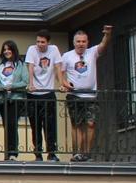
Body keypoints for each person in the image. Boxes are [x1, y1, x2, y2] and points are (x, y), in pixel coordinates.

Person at [61, 26, 112, 161]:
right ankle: (77, 152)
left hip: (91, 95)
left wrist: (107, 34)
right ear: (74, 42)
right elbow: (59, 73)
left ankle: (87, 153)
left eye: (83, 41)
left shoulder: (92, 52)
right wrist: (64, 83)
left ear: (87, 42)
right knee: (77, 124)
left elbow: (103, 45)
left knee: (90, 123)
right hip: (75, 96)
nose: (81, 44)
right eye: (78, 41)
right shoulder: (67, 56)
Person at [24, 30, 64, 161]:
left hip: (48, 93)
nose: (39, 44)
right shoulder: (32, 49)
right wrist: (30, 84)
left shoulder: (54, 50)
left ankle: (51, 153)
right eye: (38, 41)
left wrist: (61, 83)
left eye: (42, 42)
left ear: (48, 42)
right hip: (33, 94)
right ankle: (38, 154)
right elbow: (30, 67)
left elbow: (58, 67)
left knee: (50, 125)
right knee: (35, 125)